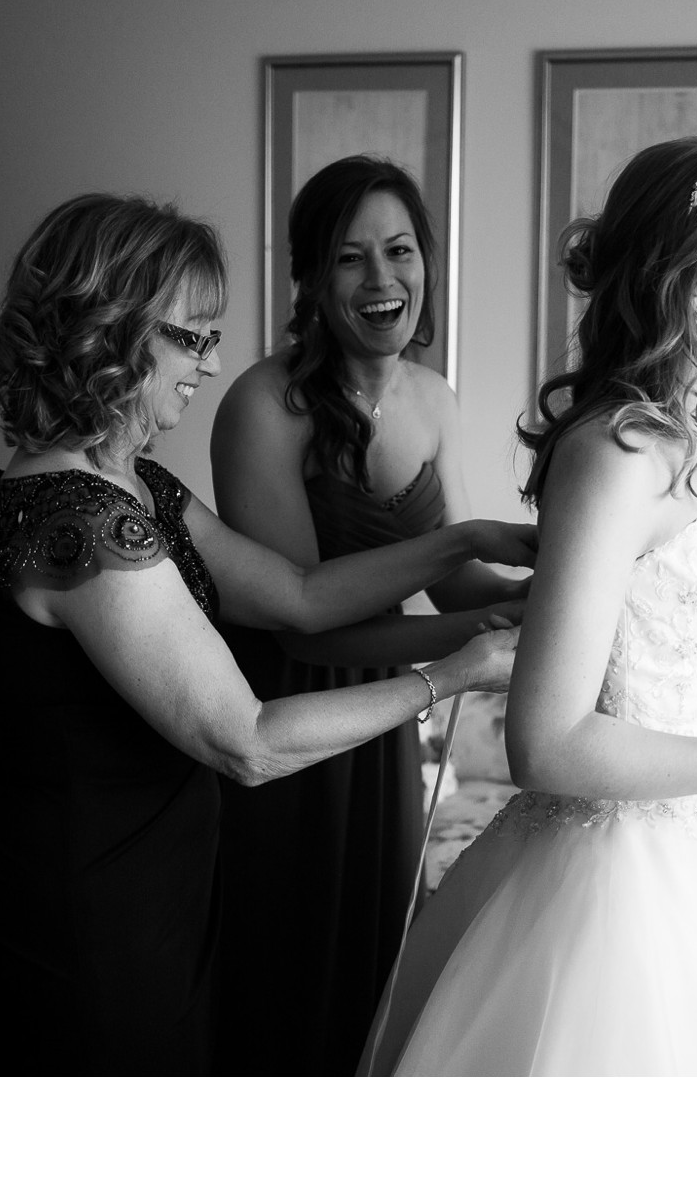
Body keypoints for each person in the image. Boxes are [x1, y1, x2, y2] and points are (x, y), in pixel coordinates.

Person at [360, 138, 697, 1076]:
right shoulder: (613, 456)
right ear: (688, 283)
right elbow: (551, 742)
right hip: (604, 890)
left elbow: (657, 677)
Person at [0, 193, 532, 1075]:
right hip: (83, 900)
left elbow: (300, 593)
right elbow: (248, 740)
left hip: (164, 868)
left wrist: (470, 539)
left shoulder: (138, 486)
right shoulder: (73, 524)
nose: (213, 360)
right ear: (109, 331)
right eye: (190, 337)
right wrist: (453, 673)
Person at [208, 155, 528, 1075]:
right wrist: (471, 633)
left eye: (400, 251)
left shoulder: (435, 399)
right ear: (311, 278)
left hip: (386, 714)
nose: (383, 280)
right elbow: (301, 621)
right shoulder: (263, 406)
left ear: (428, 262)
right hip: (285, 706)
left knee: (369, 940)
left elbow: (464, 585)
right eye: (351, 259)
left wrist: (543, 592)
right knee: (276, 955)